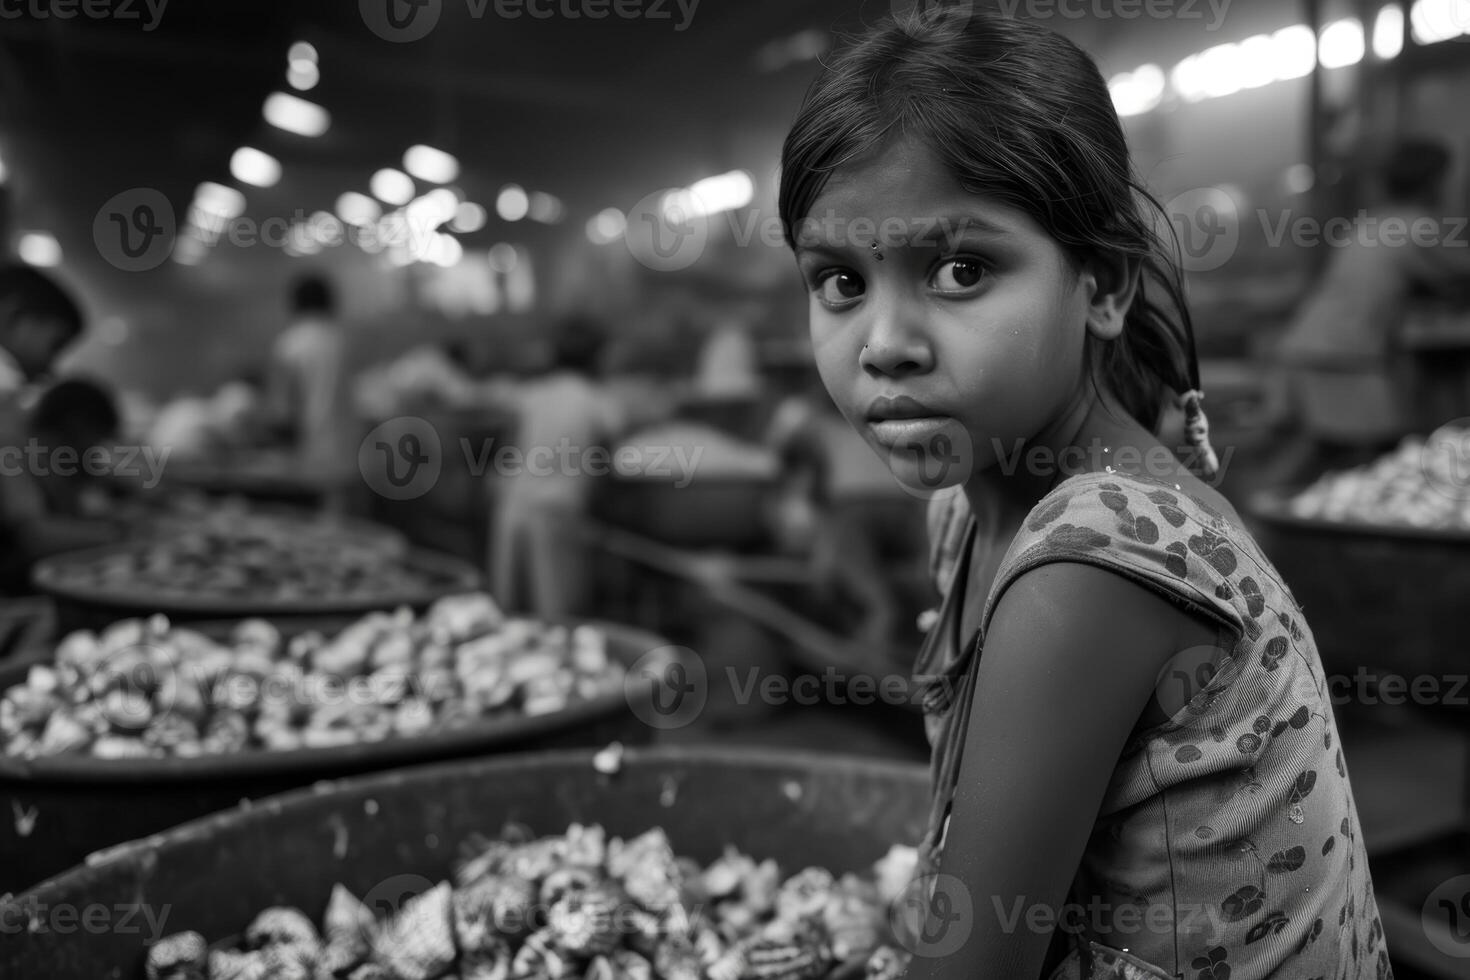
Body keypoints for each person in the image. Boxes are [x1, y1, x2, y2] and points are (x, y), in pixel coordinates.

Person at [779, 9, 1387, 980]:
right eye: (840, 279)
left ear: (1101, 286)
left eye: (961, 268)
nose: (884, 341)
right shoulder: (976, 506)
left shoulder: (1092, 563)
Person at [1272, 137, 1470, 479]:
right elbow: (1457, 272)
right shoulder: (1418, 226)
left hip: (1310, 343)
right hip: (1346, 354)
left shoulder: (1372, 221)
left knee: (1330, 450)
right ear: (1432, 183)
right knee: (1382, 452)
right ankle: (1270, 513)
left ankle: (1272, 511)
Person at [489, 314, 624, 618]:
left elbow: (506, 450)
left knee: (509, 608)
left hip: (512, 506)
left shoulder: (531, 395)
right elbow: (606, 464)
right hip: (558, 510)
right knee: (557, 613)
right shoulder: (599, 402)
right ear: (597, 357)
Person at [266, 273, 356, 501]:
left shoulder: (290, 344)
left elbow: (284, 412)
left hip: (306, 460)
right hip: (346, 455)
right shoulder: (341, 340)